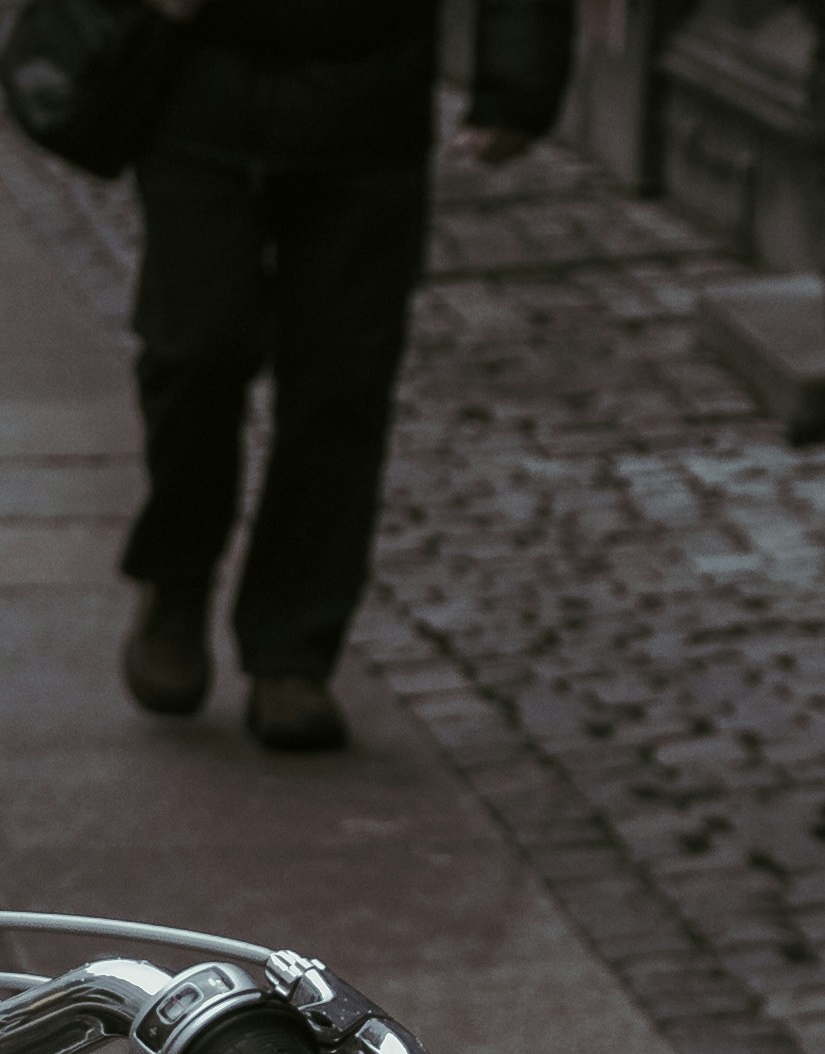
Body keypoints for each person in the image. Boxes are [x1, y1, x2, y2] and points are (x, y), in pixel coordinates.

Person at [116, 0, 568, 752]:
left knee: (339, 381)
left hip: (368, 102)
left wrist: (519, 82)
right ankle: (177, 576)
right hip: (200, 85)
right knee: (196, 349)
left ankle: (293, 649)